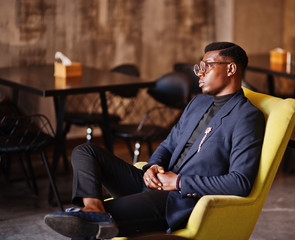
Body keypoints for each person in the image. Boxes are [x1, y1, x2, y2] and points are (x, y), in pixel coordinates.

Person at [44, 42, 265, 239]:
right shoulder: (197, 103)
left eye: (207, 66)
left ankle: (94, 216)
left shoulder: (246, 117)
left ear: (231, 68)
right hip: (154, 182)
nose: (200, 73)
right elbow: (168, 144)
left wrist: (177, 182)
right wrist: (153, 166)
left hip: (176, 199)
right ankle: (94, 208)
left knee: (82, 224)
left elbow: (240, 182)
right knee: (85, 151)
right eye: (199, 66)